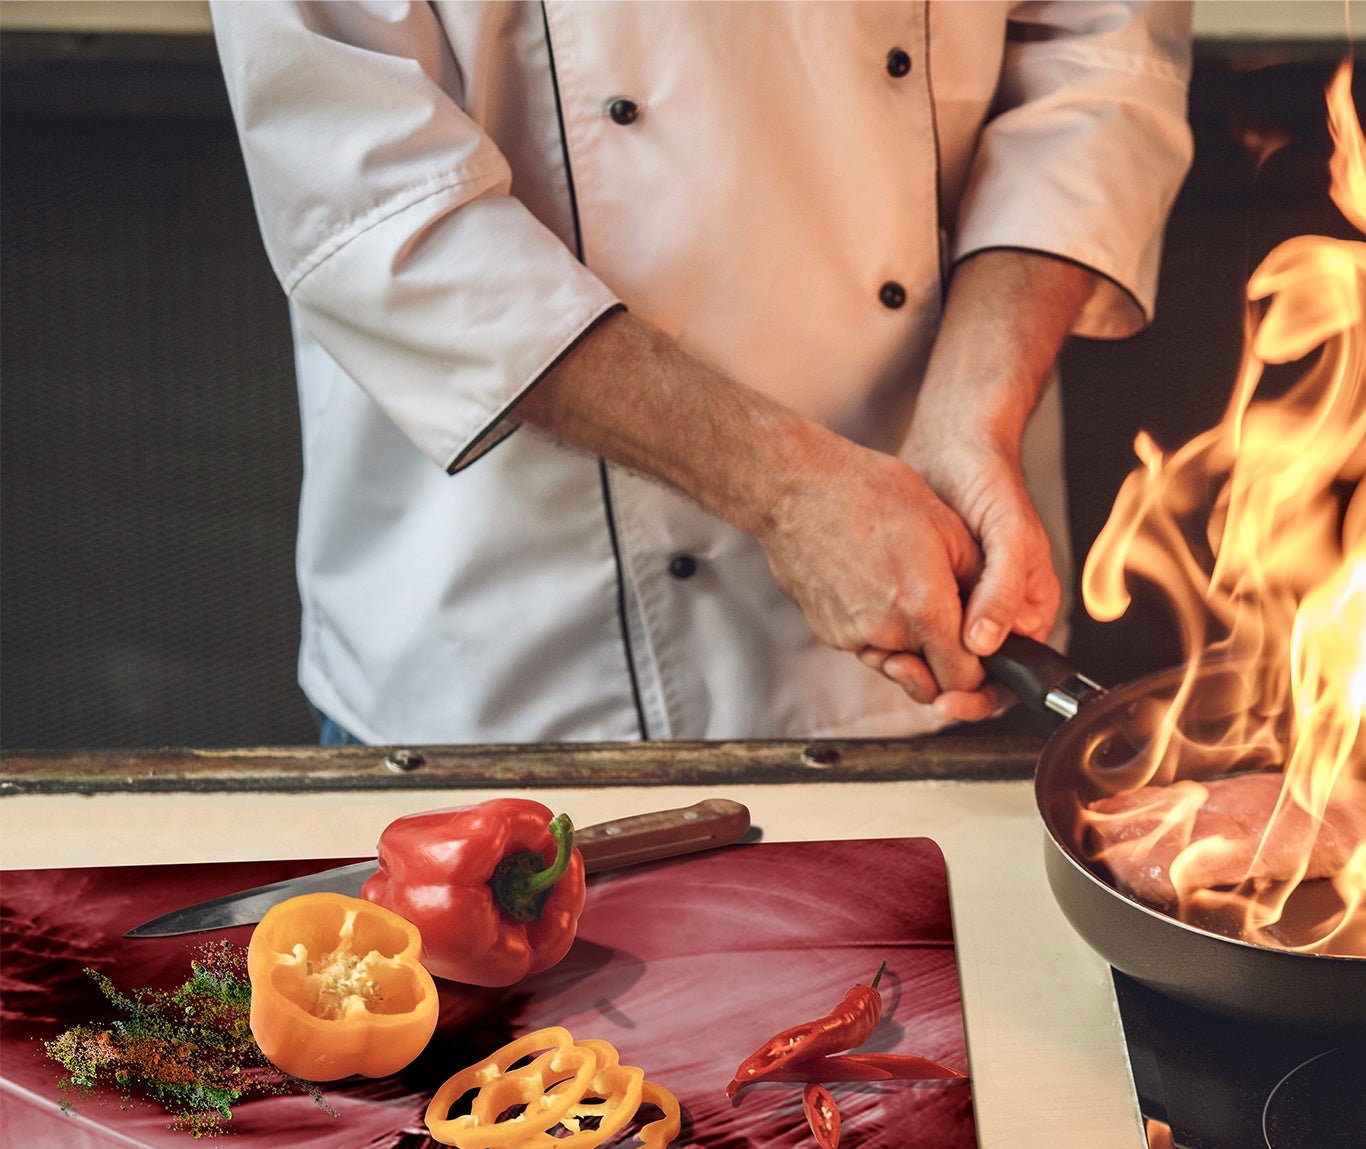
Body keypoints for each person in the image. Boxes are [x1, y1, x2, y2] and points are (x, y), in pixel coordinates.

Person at [211, 1, 1193, 743]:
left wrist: (974, 415)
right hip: (522, 646)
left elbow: (1098, 62)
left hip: (948, 580)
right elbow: (372, 198)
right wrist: (785, 491)